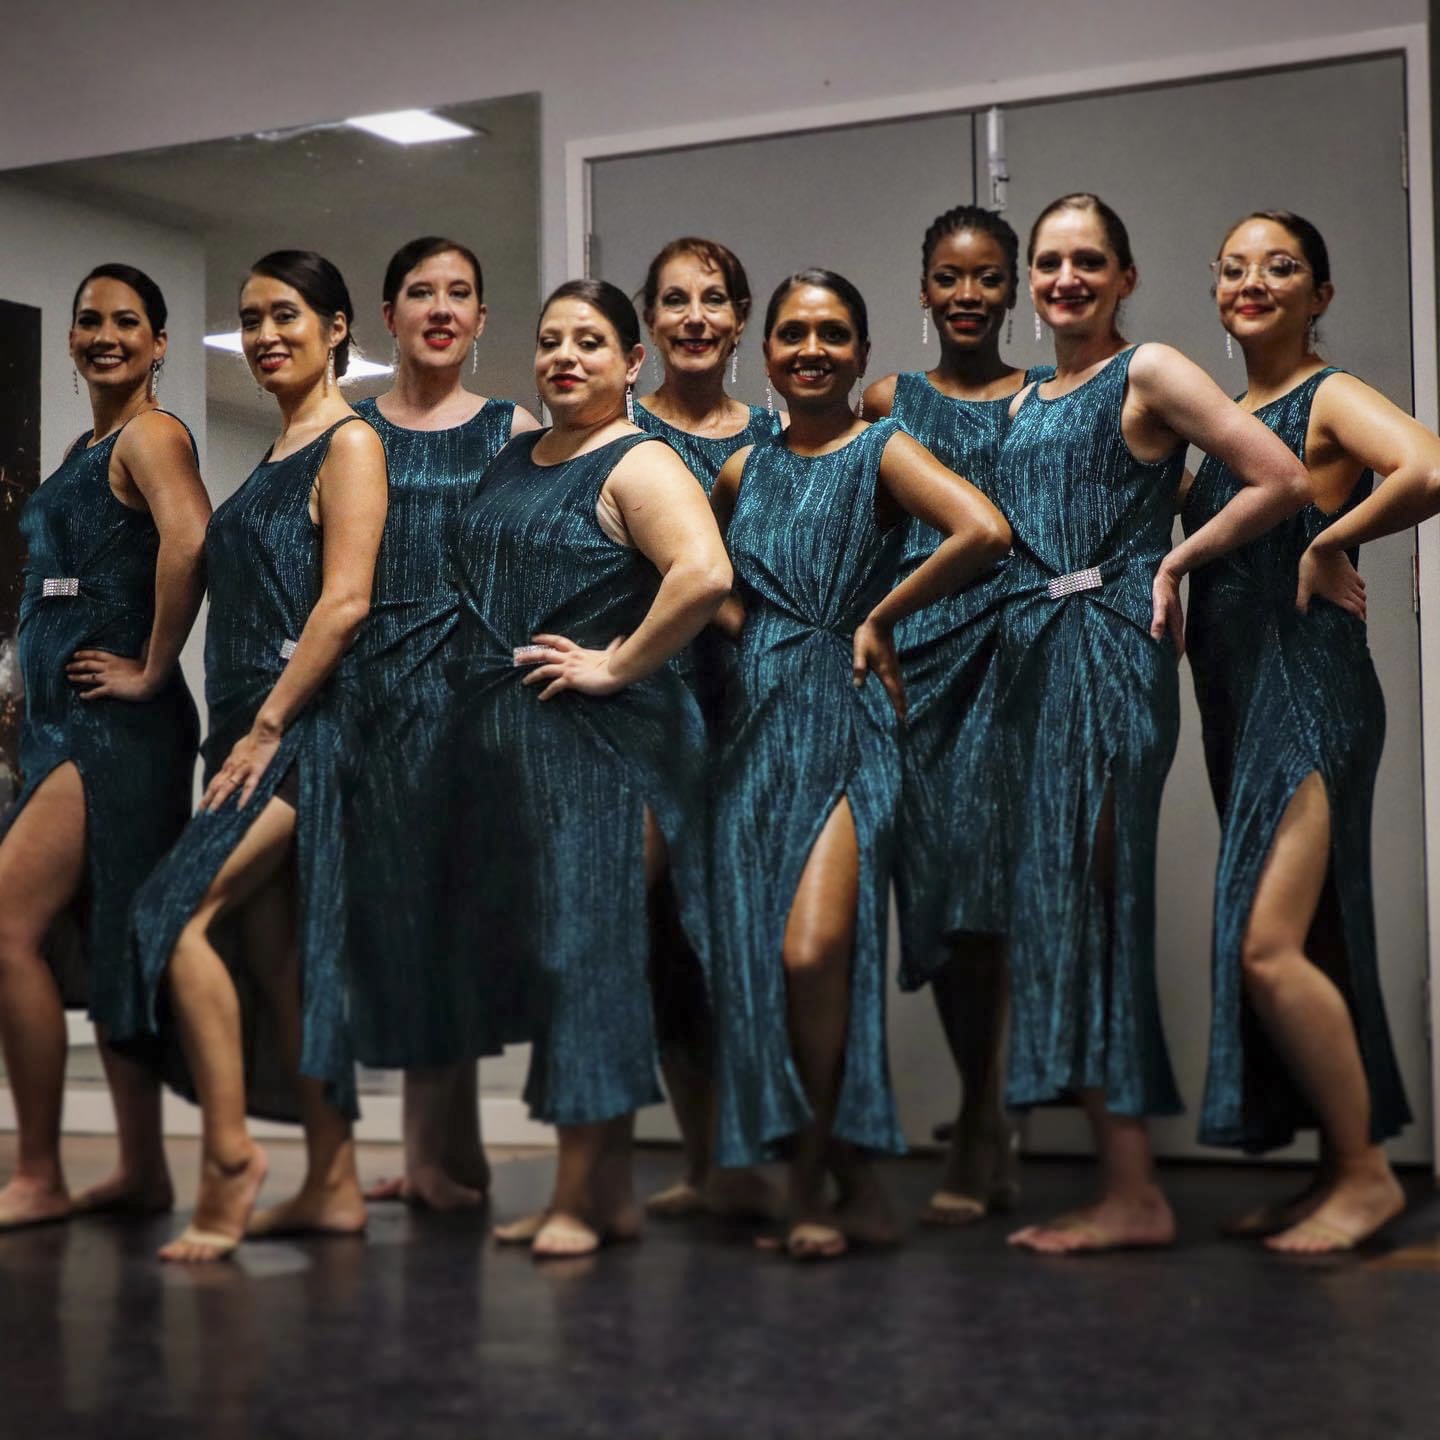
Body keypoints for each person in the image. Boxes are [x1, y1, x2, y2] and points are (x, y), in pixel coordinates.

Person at [997, 194, 1312, 1255]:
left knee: (1100, 906)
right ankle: (1119, 1179)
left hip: (1107, 666)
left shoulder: (1153, 370)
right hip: (1035, 664)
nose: (1066, 279)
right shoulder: (1031, 399)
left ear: (1125, 277)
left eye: (1089, 261)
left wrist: (1176, 559)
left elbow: (1280, 474)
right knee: (1061, 912)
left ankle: (1135, 1192)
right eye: (1049, 262)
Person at [709, 269, 1012, 1259]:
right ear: (769, 355)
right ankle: (855, 1182)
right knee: (771, 970)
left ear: (862, 354)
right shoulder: (742, 472)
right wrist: (751, 634)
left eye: (833, 334)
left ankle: (810, 1184)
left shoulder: (881, 447)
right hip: (756, 738)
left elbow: (984, 531)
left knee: (814, 952)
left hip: (848, 721)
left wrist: (882, 616)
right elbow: (701, 581)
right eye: (793, 333)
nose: (811, 349)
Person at [446, 279, 731, 1258]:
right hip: (527, 746)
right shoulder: (518, 455)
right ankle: (603, 1195)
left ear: (631, 362)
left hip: (620, 746)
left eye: (591, 343)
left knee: (585, 958)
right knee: (574, 958)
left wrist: (614, 661)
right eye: (552, 340)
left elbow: (703, 574)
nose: (566, 357)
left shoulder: (640, 459)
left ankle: (581, 1196)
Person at [130, 251, 388, 1263]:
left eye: (287, 315)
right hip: (243, 727)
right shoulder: (280, 450)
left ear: (336, 329)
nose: (266, 335)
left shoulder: (350, 446)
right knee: (278, 965)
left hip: (301, 730)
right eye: (250, 320)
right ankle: (332, 1180)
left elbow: (347, 601)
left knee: (172, 912)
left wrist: (274, 723)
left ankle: (229, 1159)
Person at [1184, 210, 1433, 1252]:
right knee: (1319, 935)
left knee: (1269, 944)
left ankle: (1369, 1178)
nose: (1254, 282)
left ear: (1319, 296)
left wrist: (1330, 538)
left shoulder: (1327, 394)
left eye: (1280, 267)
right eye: (1235, 266)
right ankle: (1337, 1163)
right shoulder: (1236, 413)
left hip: (1308, 686)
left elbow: (1425, 464)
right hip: (1240, 694)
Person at [0, 264, 208, 1229]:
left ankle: (37, 1172)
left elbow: (189, 539)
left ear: (160, 343)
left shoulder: (154, 434)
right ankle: (139, 1169)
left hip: (110, 730)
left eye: (128, 322)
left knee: (7, 929)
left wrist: (152, 667)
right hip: (55, 730)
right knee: (109, 935)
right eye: (90, 321)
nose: (105, 335)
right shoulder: (91, 442)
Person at [863, 204, 1050, 1226]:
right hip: (910, 667)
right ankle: (985, 1109)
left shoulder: (1044, 399)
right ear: (925, 286)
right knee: (932, 901)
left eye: (987, 277)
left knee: (987, 903)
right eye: (950, 276)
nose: (969, 294)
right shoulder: (889, 398)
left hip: (1010, 660)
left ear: (1013, 288)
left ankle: (983, 1126)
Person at [350, 236, 539, 1211]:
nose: (439, 307)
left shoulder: (515, 426)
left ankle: (442, 1155)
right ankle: (433, 1153)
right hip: (375, 699)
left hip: (473, 700)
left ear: (480, 318)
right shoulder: (349, 430)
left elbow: (553, 554)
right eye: (420, 292)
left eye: (459, 293)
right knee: (399, 924)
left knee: (456, 925)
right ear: (387, 316)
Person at [632, 236, 780, 1221]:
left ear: (738, 321)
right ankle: (701, 1160)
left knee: (751, 941)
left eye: (713, 299)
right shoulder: (615, 429)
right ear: (649, 321)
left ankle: (769, 1161)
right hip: (643, 713)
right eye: (675, 299)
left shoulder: (782, 432)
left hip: (760, 714)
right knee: (662, 949)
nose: (693, 316)